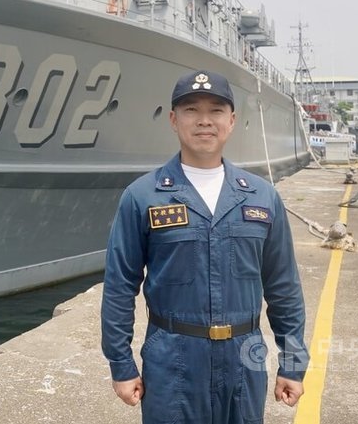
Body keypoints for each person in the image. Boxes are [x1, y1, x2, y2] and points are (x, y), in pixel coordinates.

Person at [101, 69, 308, 423]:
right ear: (173, 119)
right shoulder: (143, 196)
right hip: (172, 362)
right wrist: (121, 365)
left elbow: (283, 286)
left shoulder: (262, 196)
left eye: (215, 110)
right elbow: (120, 287)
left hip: (245, 358)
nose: (204, 121)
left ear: (231, 120)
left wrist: (293, 363)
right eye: (191, 110)